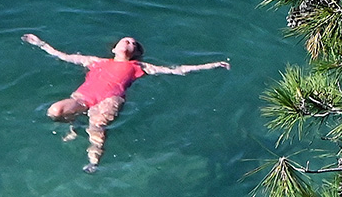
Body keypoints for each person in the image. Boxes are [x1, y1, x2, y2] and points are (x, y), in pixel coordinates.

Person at [22, 33, 229, 172]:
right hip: (83, 95)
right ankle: (73, 126)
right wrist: (40, 43)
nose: (128, 43)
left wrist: (212, 65)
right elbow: (63, 56)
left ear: (135, 53)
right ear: (114, 49)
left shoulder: (140, 66)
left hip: (110, 99)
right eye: (125, 40)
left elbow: (178, 70)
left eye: (132, 43)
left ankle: (93, 162)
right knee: (55, 111)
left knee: (97, 128)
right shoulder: (96, 61)